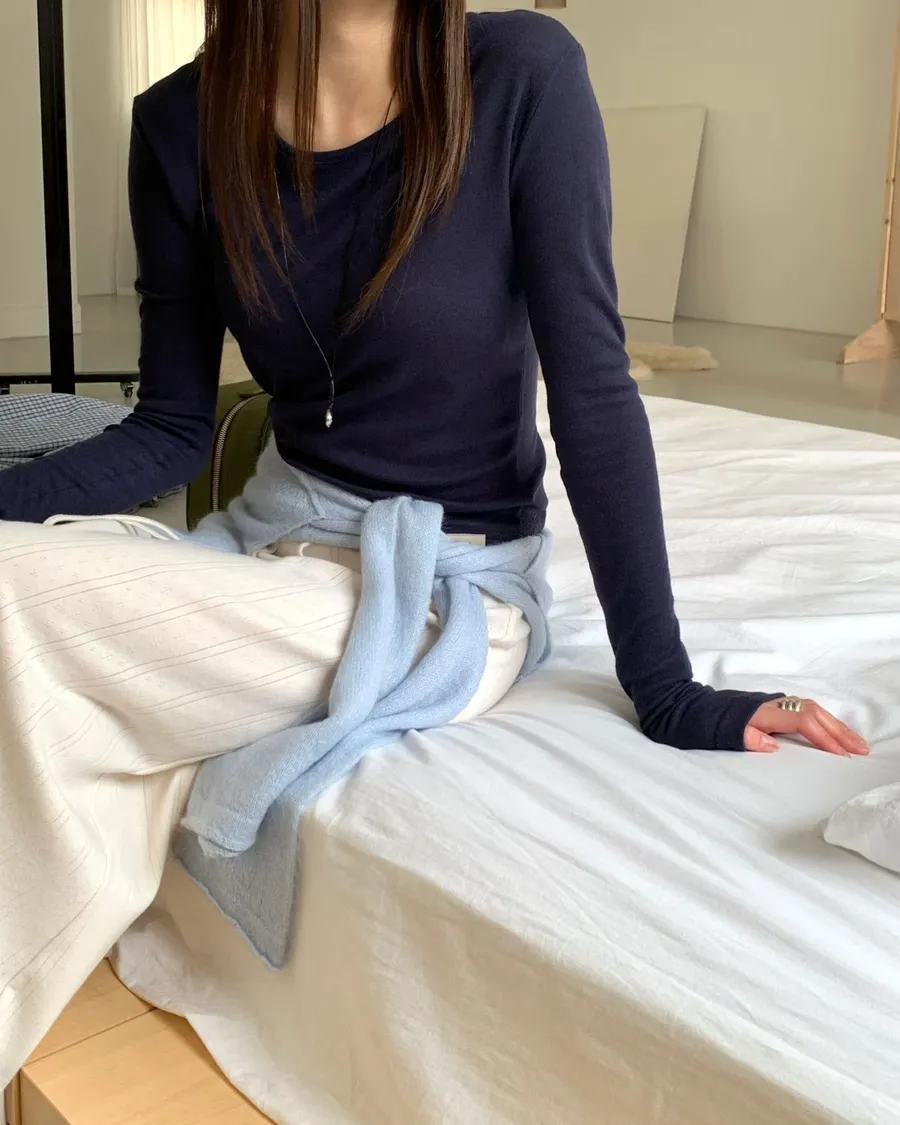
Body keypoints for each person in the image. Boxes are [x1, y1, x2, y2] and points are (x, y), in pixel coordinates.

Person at [0, 0, 867, 1081]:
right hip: (262, 540)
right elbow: (171, 427)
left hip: (443, 587)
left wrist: (669, 689)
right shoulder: (178, 121)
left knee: (15, 603)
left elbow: (594, 394)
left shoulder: (521, 75)